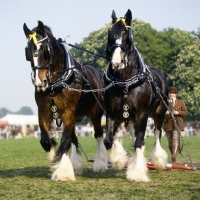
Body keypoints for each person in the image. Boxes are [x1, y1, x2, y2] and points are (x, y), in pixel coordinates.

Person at [163, 86, 187, 162]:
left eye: (173, 93)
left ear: (175, 94)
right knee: (170, 142)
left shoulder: (181, 102)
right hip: (168, 124)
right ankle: (173, 157)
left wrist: (178, 112)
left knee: (175, 139)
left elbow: (185, 112)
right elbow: (160, 113)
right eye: (170, 93)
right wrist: (165, 113)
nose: (171, 94)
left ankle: (174, 156)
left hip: (177, 124)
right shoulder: (164, 102)